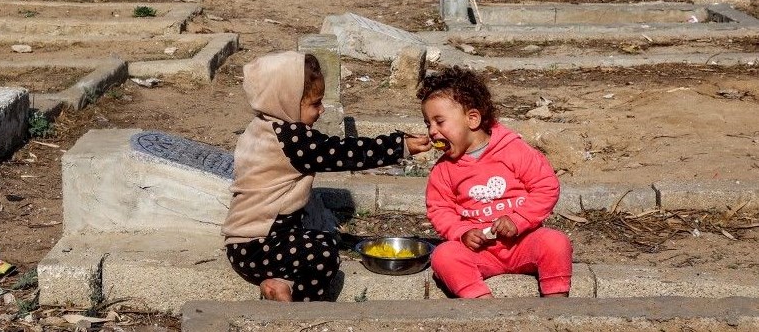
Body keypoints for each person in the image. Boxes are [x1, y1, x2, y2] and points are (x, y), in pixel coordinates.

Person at [222, 51, 431, 302]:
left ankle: (280, 283)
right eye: (314, 103)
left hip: (246, 246)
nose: (321, 110)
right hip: (260, 247)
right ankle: (293, 300)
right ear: (286, 101)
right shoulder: (292, 139)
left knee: (318, 239)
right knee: (324, 252)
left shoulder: (261, 127)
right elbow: (344, 153)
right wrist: (399, 146)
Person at [417, 66, 572, 298]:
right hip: (480, 252)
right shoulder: (444, 170)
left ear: (472, 118)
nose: (432, 131)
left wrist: (519, 220)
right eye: (428, 123)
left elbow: (546, 186)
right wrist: (463, 232)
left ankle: (556, 306)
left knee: (556, 242)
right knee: (444, 256)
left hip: (523, 242)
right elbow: (440, 209)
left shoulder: (513, 150)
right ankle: (485, 306)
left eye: (440, 122)